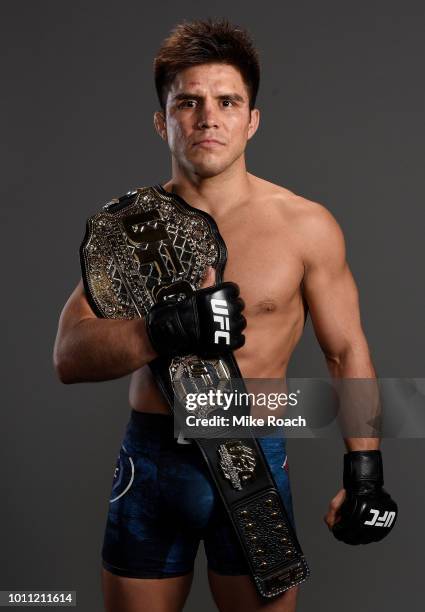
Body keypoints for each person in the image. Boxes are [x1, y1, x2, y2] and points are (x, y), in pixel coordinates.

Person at [53, 18, 396, 612]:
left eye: (227, 101)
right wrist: (159, 328)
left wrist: (364, 466)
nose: (208, 117)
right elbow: (69, 356)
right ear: (163, 121)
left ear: (251, 120)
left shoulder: (304, 226)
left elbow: (346, 352)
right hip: (155, 460)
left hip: (255, 454)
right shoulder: (130, 234)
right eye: (188, 102)